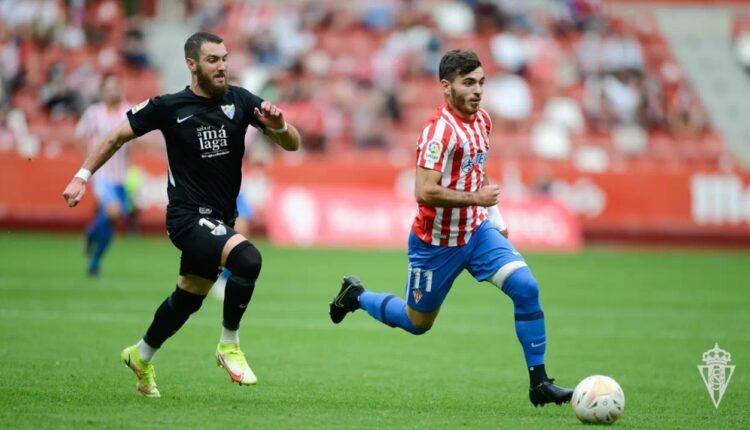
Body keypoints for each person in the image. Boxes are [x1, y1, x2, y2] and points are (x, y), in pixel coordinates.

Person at [329, 49, 573, 407]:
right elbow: (423, 191)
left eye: (481, 83)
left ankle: (540, 383)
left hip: (476, 233)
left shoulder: (483, 121)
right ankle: (356, 297)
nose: (477, 90)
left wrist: (497, 220)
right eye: (468, 83)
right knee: (417, 322)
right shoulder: (437, 133)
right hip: (436, 244)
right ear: (446, 87)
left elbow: (477, 168)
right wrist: (477, 199)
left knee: (526, 287)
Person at [62, 32, 301, 398]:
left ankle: (141, 355)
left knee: (190, 294)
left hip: (221, 218)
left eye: (224, 58)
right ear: (192, 64)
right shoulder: (168, 106)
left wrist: (280, 124)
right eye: (212, 60)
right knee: (248, 260)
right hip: (187, 218)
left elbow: (292, 143)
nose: (222, 66)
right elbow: (114, 138)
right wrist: (82, 177)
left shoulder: (241, 100)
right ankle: (229, 345)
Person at [75, 73, 132, 277]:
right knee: (114, 212)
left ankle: (94, 262)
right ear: (102, 92)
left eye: (115, 87)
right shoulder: (94, 113)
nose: (112, 91)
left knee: (113, 221)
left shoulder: (129, 111)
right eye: (108, 88)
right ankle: (90, 235)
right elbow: (79, 136)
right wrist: (88, 163)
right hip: (101, 176)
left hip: (121, 177)